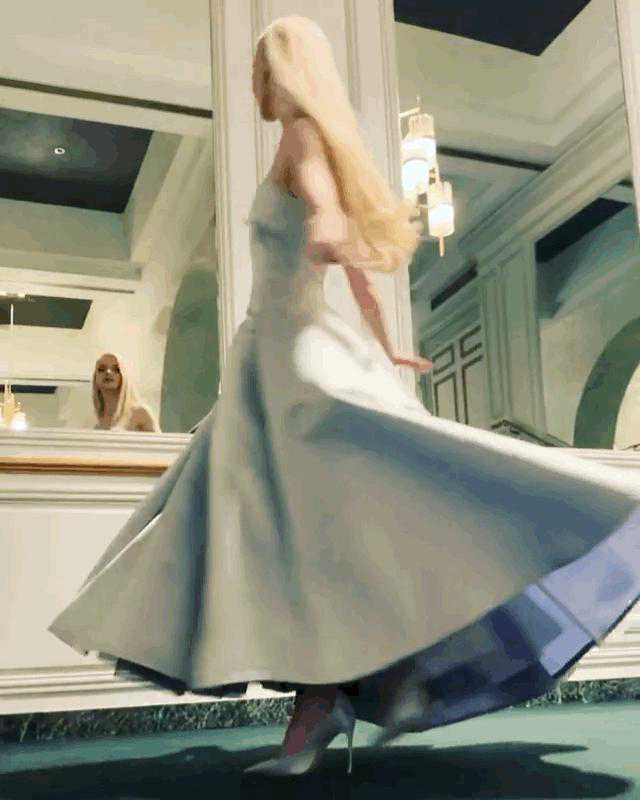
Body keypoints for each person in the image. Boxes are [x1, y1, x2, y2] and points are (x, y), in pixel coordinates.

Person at [48, 15, 640, 778]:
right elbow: (358, 280)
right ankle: (342, 697)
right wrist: (386, 344)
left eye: (262, 70)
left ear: (283, 73)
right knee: (301, 535)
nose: (256, 84)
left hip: (285, 354)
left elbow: (332, 235)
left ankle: (341, 699)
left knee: (310, 530)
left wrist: (347, 239)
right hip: (270, 358)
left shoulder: (301, 138)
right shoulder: (306, 142)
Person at [92, 353, 159, 433]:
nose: (108, 372)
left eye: (116, 369)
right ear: (95, 377)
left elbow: (159, 441)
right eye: (101, 369)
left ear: (124, 376)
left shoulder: (141, 413)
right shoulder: (96, 418)